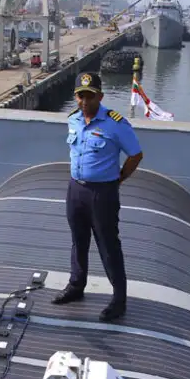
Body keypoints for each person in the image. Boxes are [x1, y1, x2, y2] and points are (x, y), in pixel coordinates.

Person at [53, 72, 144, 322]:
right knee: (78, 240)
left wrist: (119, 178)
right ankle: (76, 285)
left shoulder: (115, 124)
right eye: (80, 96)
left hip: (102, 193)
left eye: (90, 96)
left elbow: (136, 154)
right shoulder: (73, 120)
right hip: (76, 189)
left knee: (108, 245)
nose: (84, 101)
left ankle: (119, 299)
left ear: (100, 97)